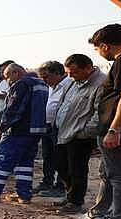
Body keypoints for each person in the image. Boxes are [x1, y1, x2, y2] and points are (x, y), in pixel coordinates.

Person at [81, 24, 121, 219]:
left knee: (119, 175)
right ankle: (109, 214)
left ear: (104, 45)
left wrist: (114, 129)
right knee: (112, 173)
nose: (99, 54)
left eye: (97, 49)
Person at [0, 63, 49, 203]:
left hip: (19, 131)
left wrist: (1, 128)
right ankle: (24, 195)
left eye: (7, 77)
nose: (7, 81)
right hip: (36, 131)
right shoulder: (41, 84)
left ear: (16, 73)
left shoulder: (21, 84)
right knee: (24, 163)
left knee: (2, 160)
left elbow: (14, 109)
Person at [53, 54, 106, 214]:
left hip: (80, 135)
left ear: (88, 68)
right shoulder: (72, 82)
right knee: (61, 165)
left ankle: (75, 201)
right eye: (68, 72)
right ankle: (70, 196)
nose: (70, 76)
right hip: (64, 131)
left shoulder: (101, 83)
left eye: (74, 72)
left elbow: (100, 113)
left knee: (77, 169)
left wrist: (85, 132)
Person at [36, 61, 72, 197]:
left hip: (61, 127)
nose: (45, 80)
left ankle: (60, 186)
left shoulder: (69, 84)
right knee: (48, 156)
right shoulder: (51, 86)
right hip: (48, 125)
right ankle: (47, 182)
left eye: (46, 77)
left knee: (60, 158)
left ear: (57, 73)